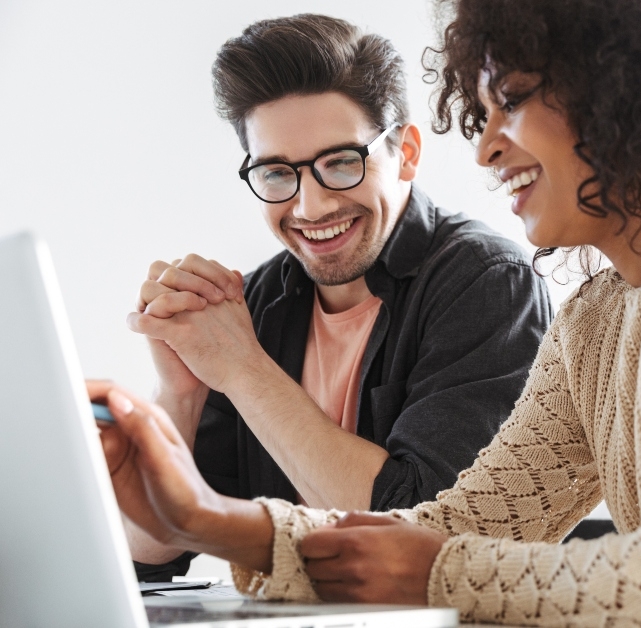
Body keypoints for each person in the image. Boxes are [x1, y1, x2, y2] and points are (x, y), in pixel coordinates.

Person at [94, 0, 641, 624]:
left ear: (619, 82)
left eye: (512, 100)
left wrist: (439, 570)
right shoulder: (598, 318)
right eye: (479, 109)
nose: (485, 145)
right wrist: (211, 521)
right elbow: (456, 524)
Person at [123, 14, 552, 581]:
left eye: (341, 163)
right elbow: (144, 550)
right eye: (277, 173)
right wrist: (180, 395)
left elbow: (422, 539)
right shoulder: (255, 304)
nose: (311, 207)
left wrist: (245, 370)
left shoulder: (489, 282)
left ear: (407, 152)